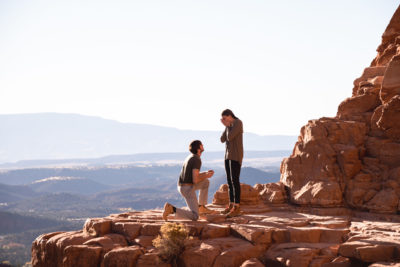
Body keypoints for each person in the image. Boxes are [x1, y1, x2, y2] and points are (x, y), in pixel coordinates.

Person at [163, 140, 215, 221]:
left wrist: (205, 174)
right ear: (198, 148)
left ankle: (201, 207)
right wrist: (206, 175)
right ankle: (172, 209)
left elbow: (194, 176)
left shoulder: (191, 157)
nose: (203, 146)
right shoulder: (197, 159)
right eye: (202, 145)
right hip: (187, 188)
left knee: (205, 182)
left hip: (183, 186)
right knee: (195, 216)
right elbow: (195, 180)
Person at [220, 109, 243, 217]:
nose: (223, 120)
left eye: (224, 118)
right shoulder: (229, 125)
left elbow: (230, 137)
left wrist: (228, 126)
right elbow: (222, 139)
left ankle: (237, 207)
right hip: (227, 156)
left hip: (235, 156)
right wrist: (226, 126)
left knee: (235, 181)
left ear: (229, 116)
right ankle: (231, 204)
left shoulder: (238, 123)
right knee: (229, 181)